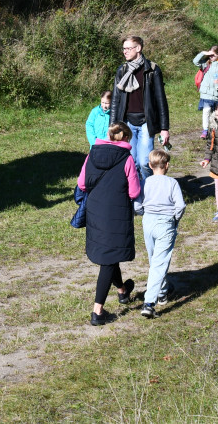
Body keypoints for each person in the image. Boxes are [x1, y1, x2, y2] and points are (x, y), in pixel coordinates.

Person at [78, 122, 142, 326]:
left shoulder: (92, 154)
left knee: (109, 254)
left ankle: (122, 292)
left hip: (95, 211)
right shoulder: (127, 158)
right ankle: (98, 311)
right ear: (125, 138)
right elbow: (134, 192)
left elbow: (82, 184)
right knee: (108, 259)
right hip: (116, 212)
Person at [110, 35, 170, 185]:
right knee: (132, 163)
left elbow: (161, 100)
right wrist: (112, 126)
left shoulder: (152, 70)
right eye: (123, 49)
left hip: (146, 122)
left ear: (138, 48)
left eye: (128, 48)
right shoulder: (122, 71)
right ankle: (137, 194)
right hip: (127, 123)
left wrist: (164, 128)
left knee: (144, 162)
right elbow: (116, 100)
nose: (125, 52)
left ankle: (149, 188)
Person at [138, 149, 185, 319]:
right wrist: (174, 220)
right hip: (165, 224)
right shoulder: (172, 183)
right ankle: (149, 303)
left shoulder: (145, 182)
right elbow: (180, 206)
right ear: (167, 165)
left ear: (150, 166)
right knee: (159, 262)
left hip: (148, 222)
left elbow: (137, 204)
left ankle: (162, 292)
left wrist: (144, 213)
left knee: (154, 260)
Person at [193, 46, 218, 139]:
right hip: (206, 94)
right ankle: (205, 130)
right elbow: (195, 61)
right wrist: (203, 53)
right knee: (206, 111)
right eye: (209, 55)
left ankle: (216, 129)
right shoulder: (206, 64)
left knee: (215, 113)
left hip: (216, 94)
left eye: (212, 55)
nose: (210, 57)